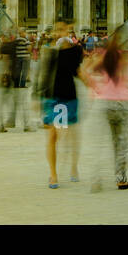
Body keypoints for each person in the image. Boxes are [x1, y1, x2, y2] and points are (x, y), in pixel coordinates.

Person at [81, 29, 128, 190]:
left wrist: (96, 87)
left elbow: (85, 71)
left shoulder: (103, 56)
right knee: (122, 142)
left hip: (104, 102)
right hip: (126, 103)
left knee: (99, 142)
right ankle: (121, 178)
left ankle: (95, 179)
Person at [36, 25, 84, 188]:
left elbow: (77, 71)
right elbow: (44, 75)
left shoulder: (75, 51)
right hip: (53, 97)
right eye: (57, 30)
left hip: (68, 97)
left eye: (62, 30)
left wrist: (91, 84)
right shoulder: (50, 52)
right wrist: (37, 98)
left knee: (69, 134)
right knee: (54, 135)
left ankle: (73, 166)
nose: (58, 33)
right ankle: (53, 174)